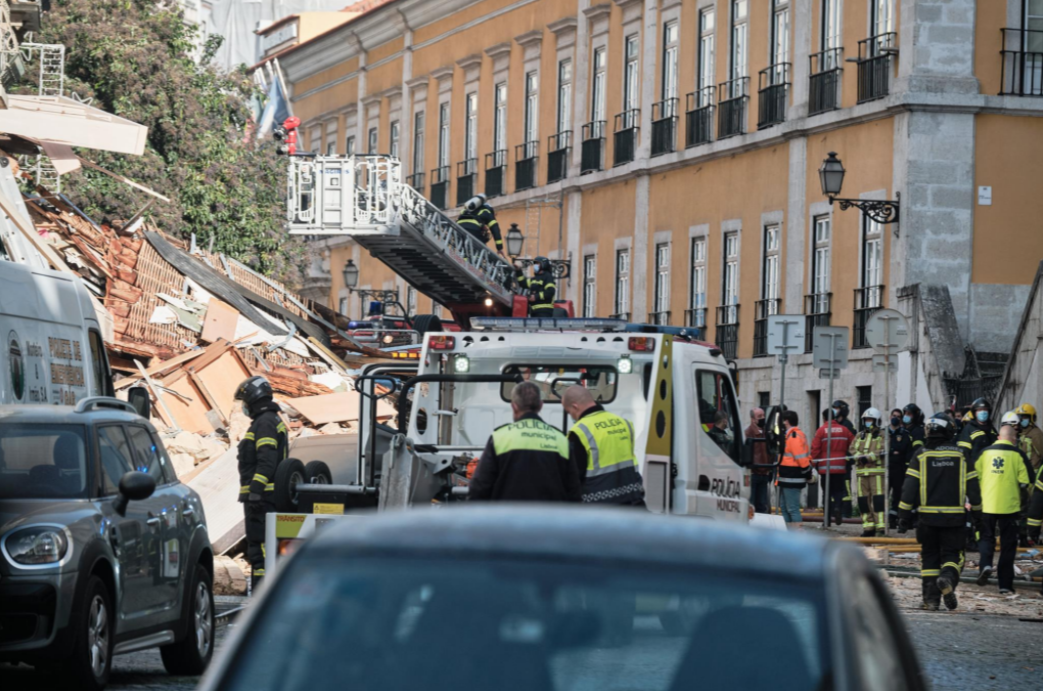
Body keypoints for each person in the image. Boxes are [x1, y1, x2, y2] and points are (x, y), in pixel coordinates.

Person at [898, 413, 982, 611]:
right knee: (953, 555)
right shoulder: (961, 454)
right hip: (954, 519)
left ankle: (931, 600)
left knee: (929, 558)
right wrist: (978, 514)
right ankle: (947, 578)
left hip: (927, 519)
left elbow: (908, 488)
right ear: (949, 430)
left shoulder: (921, 454)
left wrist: (903, 516)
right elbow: (974, 489)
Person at [470, 381, 581, 502]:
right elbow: (573, 492)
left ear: (514, 406)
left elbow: (479, 488)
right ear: (540, 405)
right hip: (550, 519)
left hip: (506, 518)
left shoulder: (499, 438)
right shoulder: (561, 440)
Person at [234, 376, 288, 593]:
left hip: (263, 499)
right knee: (262, 550)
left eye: (244, 401)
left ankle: (261, 598)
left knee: (261, 552)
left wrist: (256, 491)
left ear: (252, 398)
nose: (243, 407)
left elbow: (267, 461)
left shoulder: (264, 422)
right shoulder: (268, 420)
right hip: (263, 498)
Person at [975, 412, 1032, 594]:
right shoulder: (1017, 454)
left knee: (986, 538)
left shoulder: (985, 453)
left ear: (999, 437)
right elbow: (1026, 481)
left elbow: (974, 477)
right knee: (1008, 545)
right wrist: (1024, 504)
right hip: (1010, 507)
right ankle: (1005, 585)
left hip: (987, 505)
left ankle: (985, 565)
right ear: (1013, 439)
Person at [563, 385, 645, 506]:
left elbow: (574, 477)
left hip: (599, 507)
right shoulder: (624, 423)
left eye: (569, 412)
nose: (571, 416)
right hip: (631, 499)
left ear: (575, 406)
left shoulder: (579, 432)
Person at [811, 408, 855, 527]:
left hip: (825, 468)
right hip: (840, 467)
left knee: (827, 493)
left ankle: (827, 521)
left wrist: (813, 464)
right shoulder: (844, 430)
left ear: (824, 418)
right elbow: (854, 443)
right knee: (838, 491)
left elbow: (815, 449)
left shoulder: (821, 431)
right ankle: (838, 508)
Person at [851, 407, 886, 537]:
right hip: (861, 474)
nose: (868, 422)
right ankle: (868, 527)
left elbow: (883, 449)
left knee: (878, 500)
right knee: (863, 501)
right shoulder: (859, 435)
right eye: (866, 420)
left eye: (870, 419)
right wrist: (859, 457)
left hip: (876, 473)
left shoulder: (882, 435)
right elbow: (852, 449)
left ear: (876, 421)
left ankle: (881, 527)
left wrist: (869, 457)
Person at [776, 410, 813, 525]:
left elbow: (801, 458)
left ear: (786, 421)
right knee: (785, 508)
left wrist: (807, 471)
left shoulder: (794, 436)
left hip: (792, 478)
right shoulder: (790, 435)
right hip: (786, 478)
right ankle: (788, 535)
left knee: (792, 509)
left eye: (782, 421)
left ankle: (796, 536)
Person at [887, 408, 913, 530]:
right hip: (885, 469)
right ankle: (881, 520)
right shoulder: (883, 433)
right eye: (894, 415)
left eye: (898, 416)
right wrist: (893, 451)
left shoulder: (904, 434)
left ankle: (893, 520)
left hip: (898, 469)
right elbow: (885, 449)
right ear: (890, 416)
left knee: (897, 496)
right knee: (882, 496)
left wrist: (894, 451)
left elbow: (903, 449)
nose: (895, 418)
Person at [745, 408, 772, 514]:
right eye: (759, 416)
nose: (763, 418)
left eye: (763, 415)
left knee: (762, 505)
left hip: (764, 473)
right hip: (753, 473)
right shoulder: (748, 433)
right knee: (751, 505)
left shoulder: (766, 432)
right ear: (752, 419)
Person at [1015, 403, 1043, 477]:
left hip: (1033, 474)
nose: (1022, 420)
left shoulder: (1036, 434)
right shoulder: (1020, 433)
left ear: (1032, 418)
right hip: (1022, 473)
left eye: (1025, 417)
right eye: (1020, 417)